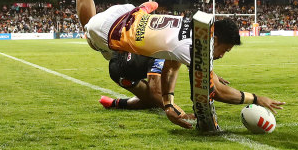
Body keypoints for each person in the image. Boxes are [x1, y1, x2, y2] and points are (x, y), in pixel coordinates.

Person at [73, 0, 284, 128]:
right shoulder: (195, 48)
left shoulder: (195, 26)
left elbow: (172, 63)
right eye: (224, 50)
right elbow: (217, 92)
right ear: (215, 39)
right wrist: (255, 98)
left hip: (129, 12)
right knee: (90, 33)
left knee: (101, 34)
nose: (221, 55)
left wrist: (169, 102)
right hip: (112, 31)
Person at [100, 52, 280, 112]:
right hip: (122, 71)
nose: (221, 55)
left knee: (156, 99)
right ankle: (117, 103)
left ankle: (114, 103)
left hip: (131, 58)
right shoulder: (161, 57)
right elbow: (156, 93)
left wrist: (212, 75)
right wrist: (178, 111)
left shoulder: (175, 46)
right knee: (154, 100)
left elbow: (192, 60)